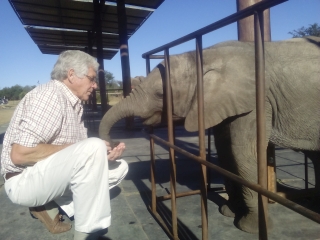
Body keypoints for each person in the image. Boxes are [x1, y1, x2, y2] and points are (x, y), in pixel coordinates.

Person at [0, 50, 128, 239]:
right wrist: (90, 150)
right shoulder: (50, 97)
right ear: (71, 75)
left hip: (47, 177)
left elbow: (75, 158)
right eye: (92, 79)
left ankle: (52, 205)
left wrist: (103, 157)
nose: (95, 85)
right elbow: (19, 154)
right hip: (22, 181)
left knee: (120, 167)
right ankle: (88, 233)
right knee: (92, 147)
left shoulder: (74, 103)